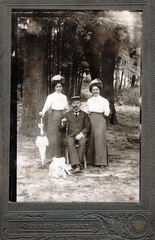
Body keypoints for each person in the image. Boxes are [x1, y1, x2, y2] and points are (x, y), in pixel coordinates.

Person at [39, 75, 69, 159]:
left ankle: (61, 156)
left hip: (62, 117)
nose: (59, 88)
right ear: (54, 87)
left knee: (60, 136)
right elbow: (46, 106)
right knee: (53, 136)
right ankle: (52, 156)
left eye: (60, 86)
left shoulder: (64, 97)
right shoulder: (51, 96)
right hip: (53, 117)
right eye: (57, 87)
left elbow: (66, 108)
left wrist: (66, 115)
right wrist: (43, 112)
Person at [61, 96, 90, 173]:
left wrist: (81, 134)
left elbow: (88, 127)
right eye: (74, 103)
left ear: (80, 104)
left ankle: (76, 164)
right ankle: (77, 165)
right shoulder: (67, 114)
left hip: (81, 135)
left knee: (83, 143)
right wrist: (63, 122)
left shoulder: (85, 114)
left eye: (77, 103)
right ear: (71, 104)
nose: (76, 104)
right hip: (71, 135)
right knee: (70, 144)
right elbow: (61, 128)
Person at [87, 79, 110, 168]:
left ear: (99, 90)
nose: (95, 91)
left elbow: (107, 111)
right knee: (91, 139)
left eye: (96, 89)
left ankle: (101, 161)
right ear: (91, 91)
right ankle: (90, 160)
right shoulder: (89, 100)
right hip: (91, 120)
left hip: (100, 120)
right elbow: (88, 110)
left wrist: (103, 116)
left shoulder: (104, 100)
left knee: (99, 139)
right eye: (93, 90)